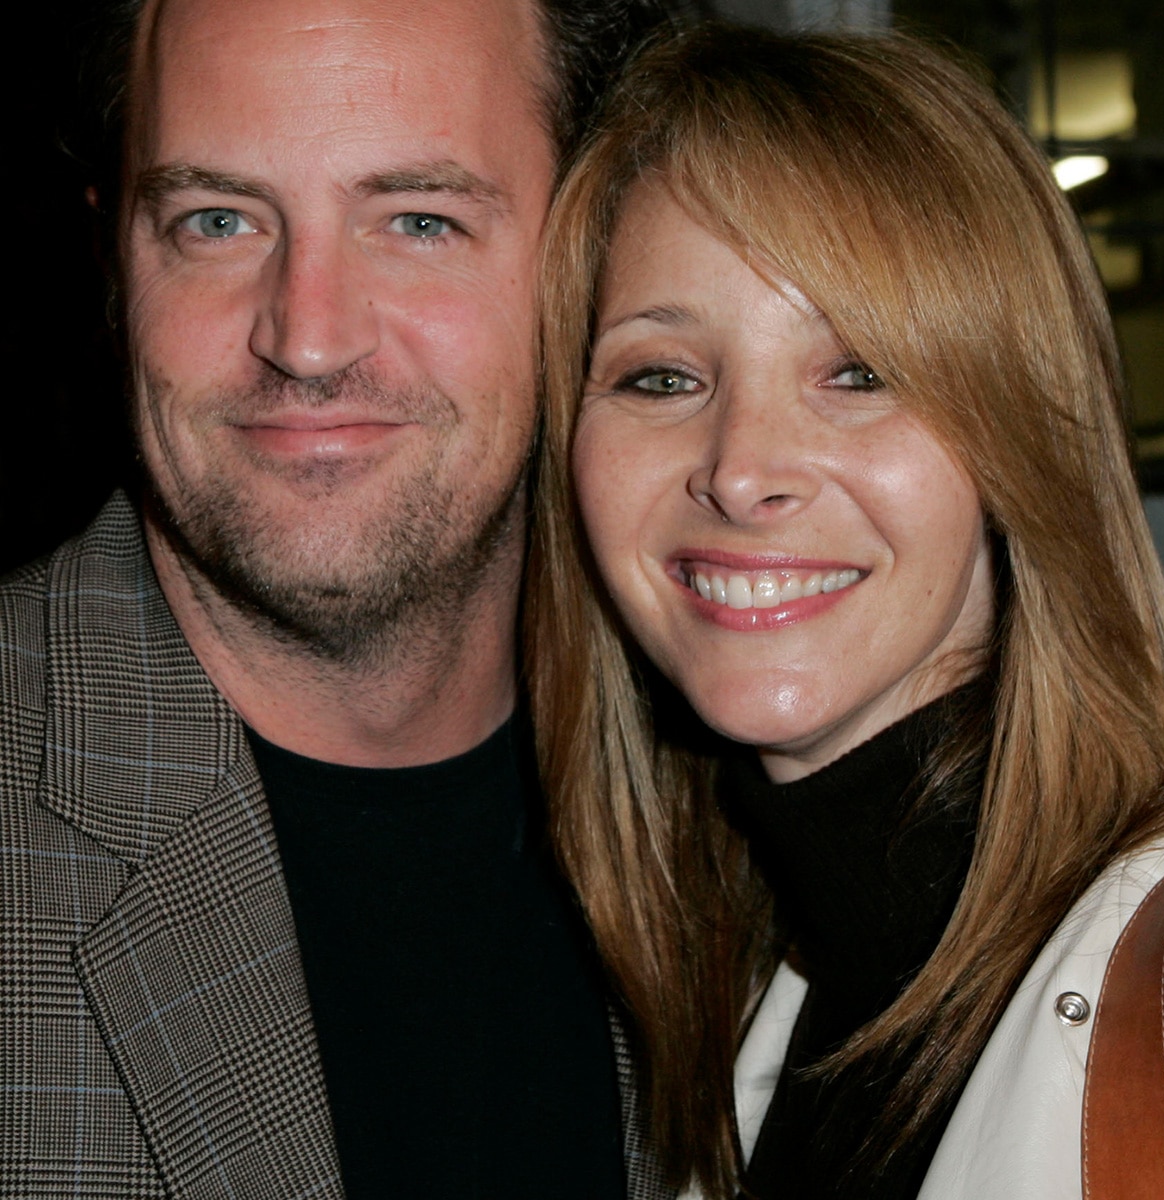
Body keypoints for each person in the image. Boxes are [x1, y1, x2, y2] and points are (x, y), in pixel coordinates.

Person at [0, 0, 682, 1196]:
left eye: (418, 220)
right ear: (116, 262)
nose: (308, 340)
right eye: (218, 222)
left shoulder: (741, 801)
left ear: (594, 252)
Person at [528, 23, 1164, 1200]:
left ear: (1022, 434)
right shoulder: (730, 1007)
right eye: (662, 377)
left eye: (860, 372)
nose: (742, 471)